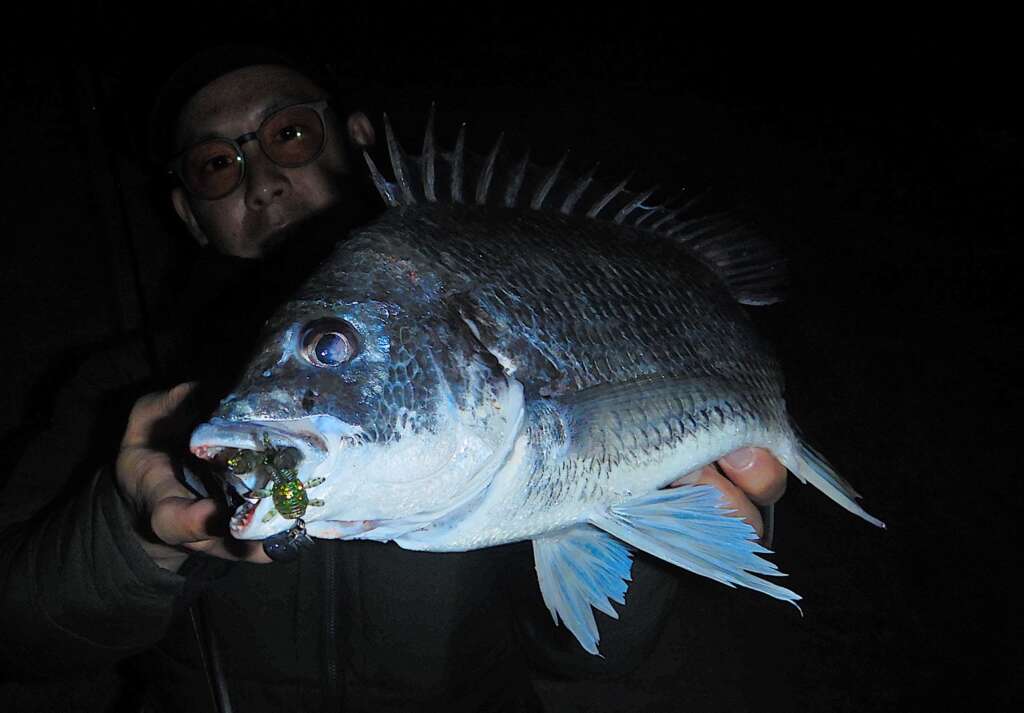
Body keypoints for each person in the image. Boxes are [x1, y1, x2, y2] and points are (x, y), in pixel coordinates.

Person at [0, 45, 788, 712]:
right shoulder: (118, 390)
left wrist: (642, 510)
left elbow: (591, 663)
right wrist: (128, 531)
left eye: (289, 133)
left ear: (357, 136)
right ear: (186, 211)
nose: (262, 178)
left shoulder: (458, 278)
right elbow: (17, 641)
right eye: (216, 164)